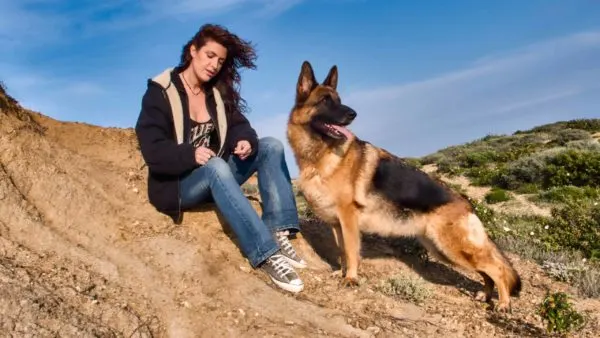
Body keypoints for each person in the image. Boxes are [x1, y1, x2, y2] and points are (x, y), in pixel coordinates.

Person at [134, 23, 306, 293]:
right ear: (193, 51)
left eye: (220, 61)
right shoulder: (161, 91)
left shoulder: (217, 92)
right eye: (209, 56)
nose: (214, 65)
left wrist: (244, 140)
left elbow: (241, 125)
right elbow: (152, 148)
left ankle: (278, 229)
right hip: (179, 186)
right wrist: (190, 154)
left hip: (216, 177)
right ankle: (265, 253)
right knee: (215, 165)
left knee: (270, 145)